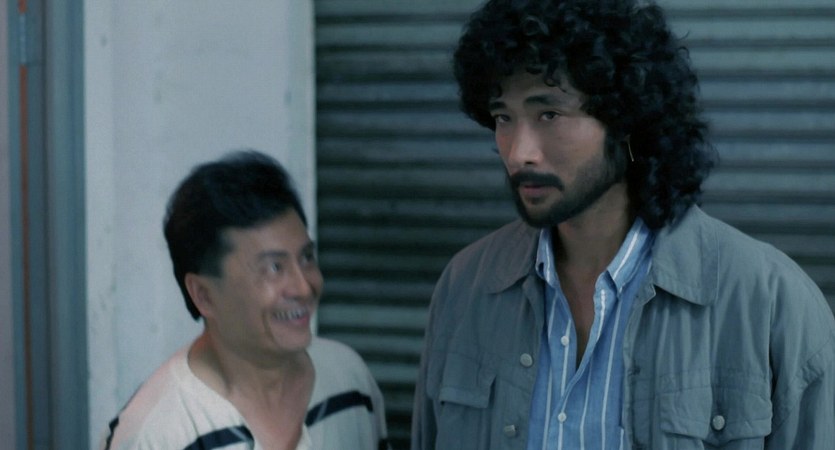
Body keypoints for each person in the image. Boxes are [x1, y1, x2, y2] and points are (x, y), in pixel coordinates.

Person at [411, 0, 835, 449]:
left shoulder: (768, 301)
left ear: (625, 120)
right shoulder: (466, 287)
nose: (519, 153)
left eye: (549, 114)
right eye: (503, 118)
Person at [102, 150, 389, 449]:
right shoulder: (157, 434)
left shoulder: (348, 381)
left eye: (306, 258)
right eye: (274, 268)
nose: (304, 288)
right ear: (204, 295)